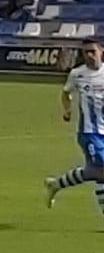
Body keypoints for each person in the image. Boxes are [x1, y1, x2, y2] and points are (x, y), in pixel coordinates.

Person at [45, 39, 104, 212]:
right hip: (88, 132)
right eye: (86, 52)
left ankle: (56, 184)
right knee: (101, 170)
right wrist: (67, 110)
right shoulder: (77, 74)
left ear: (101, 51)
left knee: (98, 172)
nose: (89, 55)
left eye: (93, 51)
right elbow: (65, 93)